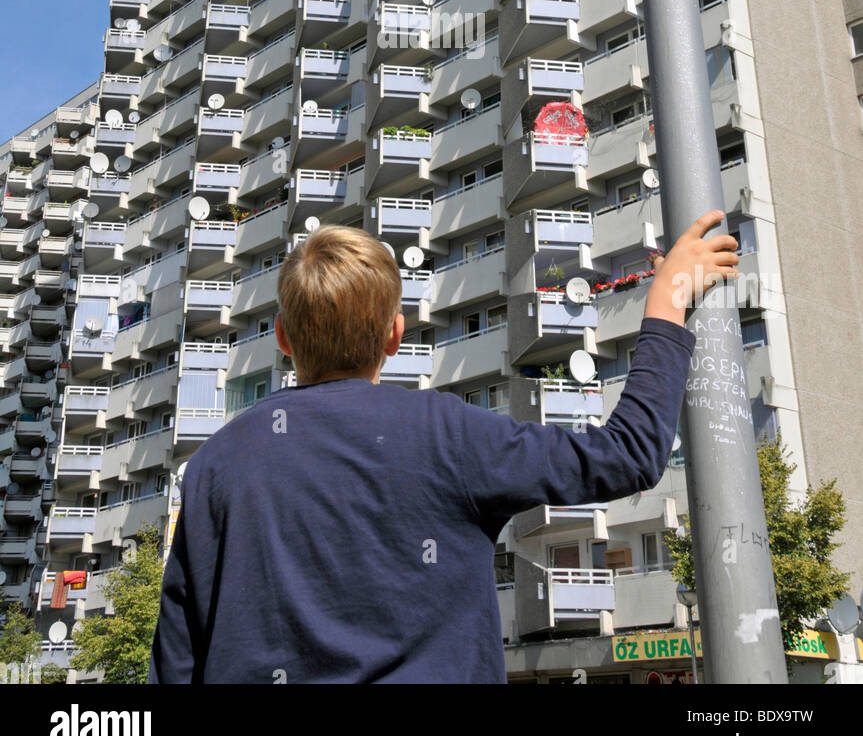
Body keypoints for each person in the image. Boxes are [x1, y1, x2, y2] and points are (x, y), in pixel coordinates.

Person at [149, 211, 738, 684]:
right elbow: (628, 453)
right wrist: (667, 298)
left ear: (282, 338)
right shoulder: (451, 435)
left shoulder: (214, 467)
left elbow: (177, 656)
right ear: (395, 334)